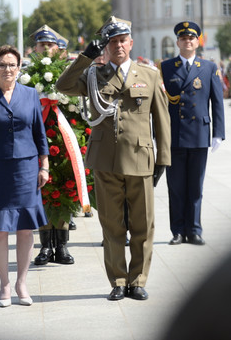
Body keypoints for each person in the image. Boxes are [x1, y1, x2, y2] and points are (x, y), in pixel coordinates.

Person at [56, 16, 171, 301]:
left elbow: (162, 120)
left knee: (143, 225)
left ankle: (138, 280)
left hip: (140, 158)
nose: (118, 46)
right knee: (112, 225)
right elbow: (63, 86)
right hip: (106, 160)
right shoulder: (94, 74)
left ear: (131, 43)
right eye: (112, 42)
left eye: (122, 41)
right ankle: (118, 281)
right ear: (105, 46)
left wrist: (163, 159)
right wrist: (85, 58)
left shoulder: (150, 75)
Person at [0, 44, 49, 307]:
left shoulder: (30, 95)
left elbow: (40, 133)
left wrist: (44, 165)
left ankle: (21, 283)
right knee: (0, 230)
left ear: (19, 67)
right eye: (1, 64)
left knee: (26, 229)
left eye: (12, 64)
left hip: (26, 169)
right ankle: (4, 284)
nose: (7, 69)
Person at [160, 21, 225, 246]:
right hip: (175, 134)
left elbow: (217, 102)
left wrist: (219, 133)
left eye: (191, 38)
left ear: (198, 41)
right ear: (177, 42)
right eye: (183, 38)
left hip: (199, 133)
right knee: (176, 187)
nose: (187, 41)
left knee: (196, 187)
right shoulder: (166, 67)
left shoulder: (208, 67)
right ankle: (177, 230)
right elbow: (160, 104)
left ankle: (194, 229)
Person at [28, 24, 76, 266]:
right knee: (43, 192)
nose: (46, 48)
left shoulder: (68, 73)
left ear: (58, 49)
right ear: (34, 49)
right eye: (42, 45)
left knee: (66, 189)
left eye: (50, 45)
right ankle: (46, 246)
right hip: (38, 141)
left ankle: (63, 246)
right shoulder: (26, 76)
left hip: (64, 139)